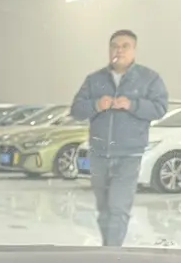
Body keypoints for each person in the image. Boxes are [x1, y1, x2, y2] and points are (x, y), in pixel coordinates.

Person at [70, 29, 168, 247]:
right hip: (99, 154)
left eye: (125, 46)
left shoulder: (149, 78)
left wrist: (132, 104)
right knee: (104, 209)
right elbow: (76, 110)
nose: (119, 50)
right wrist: (96, 105)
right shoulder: (94, 80)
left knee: (118, 207)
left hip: (129, 155)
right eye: (114, 46)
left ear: (134, 50)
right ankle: (109, 248)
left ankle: (112, 254)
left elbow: (160, 108)